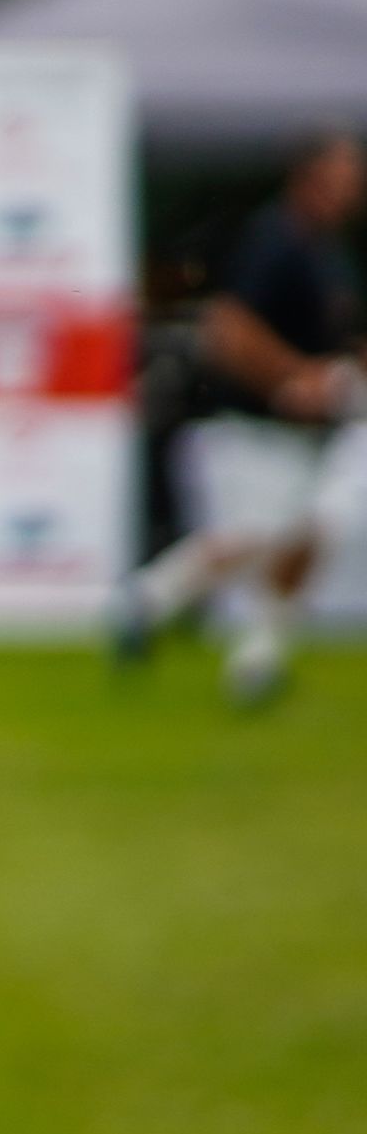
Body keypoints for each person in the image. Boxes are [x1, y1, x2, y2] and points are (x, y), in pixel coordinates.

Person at [120, 131, 367, 706]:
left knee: (312, 534)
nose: (353, 188)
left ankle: (259, 655)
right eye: (343, 174)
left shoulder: (328, 252)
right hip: (250, 425)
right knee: (254, 537)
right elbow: (227, 326)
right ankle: (150, 598)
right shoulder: (274, 240)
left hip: (308, 432)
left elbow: (337, 335)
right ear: (309, 177)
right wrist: (290, 377)